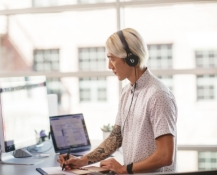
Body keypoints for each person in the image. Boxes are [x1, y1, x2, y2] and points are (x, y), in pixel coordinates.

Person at [57, 28, 178, 174]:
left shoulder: (158, 95)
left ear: (131, 58)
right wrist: (82, 160)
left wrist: (123, 169)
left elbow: (165, 156)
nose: (109, 66)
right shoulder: (127, 92)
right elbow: (116, 137)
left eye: (112, 58)